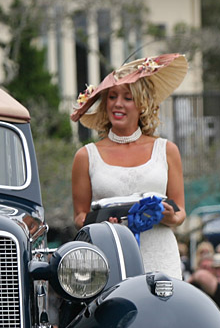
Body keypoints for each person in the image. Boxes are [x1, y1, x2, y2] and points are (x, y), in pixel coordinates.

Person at [70, 53, 188, 278]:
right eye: (112, 96)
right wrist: (104, 222)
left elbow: (180, 211)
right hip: (110, 256)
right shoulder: (86, 156)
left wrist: (169, 216)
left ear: (142, 104)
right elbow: (79, 217)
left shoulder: (167, 150)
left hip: (160, 256)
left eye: (127, 97)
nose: (117, 104)